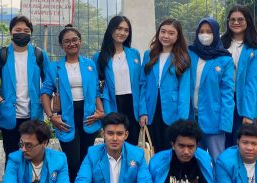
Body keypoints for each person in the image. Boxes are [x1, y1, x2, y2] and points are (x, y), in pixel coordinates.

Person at [41, 25, 104, 183]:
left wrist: (101, 112)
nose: (72, 44)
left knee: (86, 159)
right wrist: (51, 116)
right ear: (61, 45)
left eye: (75, 40)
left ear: (80, 41)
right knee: (72, 161)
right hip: (66, 118)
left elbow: (96, 92)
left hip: (88, 117)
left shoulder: (89, 64)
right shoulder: (55, 67)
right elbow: (45, 93)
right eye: (67, 41)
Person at [0, 15, 50, 163]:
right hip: (9, 114)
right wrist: (1, 101)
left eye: (26, 30)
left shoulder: (39, 54)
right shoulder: (2, 54)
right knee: (11, 156)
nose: (22, 33)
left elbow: (49, 81)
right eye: (18, 30)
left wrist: (43, 99)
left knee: (34, 156)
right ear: (11, 32)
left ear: (31, 33)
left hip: (33, 114)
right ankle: (11, 180)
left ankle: (33, 180)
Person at [140, 18, 191, 151]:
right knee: (152, 149)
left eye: (171, 33)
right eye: (163, 31)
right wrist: (142, 111)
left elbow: (184, 91)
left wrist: (181, 120)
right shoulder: (149, 55)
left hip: (172, 110)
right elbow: (142, 84)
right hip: (151, 109)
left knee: (171, 149)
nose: (166, 36)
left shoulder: (182, 57)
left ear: (178, 36)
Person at [188, 17, 234, 161]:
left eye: (209, 31)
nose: (205, 35)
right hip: (191, 117)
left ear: (216, 33)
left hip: (214, 119)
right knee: (194, 160)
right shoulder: (190, 54)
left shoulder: (225, 59)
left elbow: (227, 93)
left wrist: (225, 122)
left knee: (218, 159)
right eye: (201, 31)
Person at [94, 16, 144, 146]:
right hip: (111, 103)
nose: (122, 33)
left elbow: (141, 83)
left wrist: (143, 110)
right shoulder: (99, 57)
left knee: (132, 143)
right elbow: (96, 86)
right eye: (119, 29)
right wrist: (101, 109)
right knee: (113, 143)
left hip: (132, 103)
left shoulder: (134, 54)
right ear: (111, 30)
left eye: (126, 30)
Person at [221, 6, 257, 149]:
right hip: (222, 100)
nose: (236, 22)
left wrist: (248, 113)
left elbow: (253, 83)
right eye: (232, 19)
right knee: (222, 145)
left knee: (239, 144)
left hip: (242, 101)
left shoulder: (256, 49)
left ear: (248, 22)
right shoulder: (220, 44)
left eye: (240, 19)